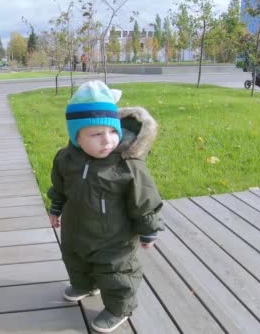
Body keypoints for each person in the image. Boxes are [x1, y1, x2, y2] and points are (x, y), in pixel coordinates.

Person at [47, 80, 164, 333]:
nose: (107, 140)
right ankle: (85, 284)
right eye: (96, 134)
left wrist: (148, 229)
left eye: (112, 131)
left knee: (116, 273)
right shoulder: (66, 159)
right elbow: (59, 186)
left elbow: (144, 199)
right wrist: (56, 207)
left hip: (114, 239)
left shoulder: (126, 164)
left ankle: (120, 307)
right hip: (76, 232)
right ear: (76, 136)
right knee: (74, 260)